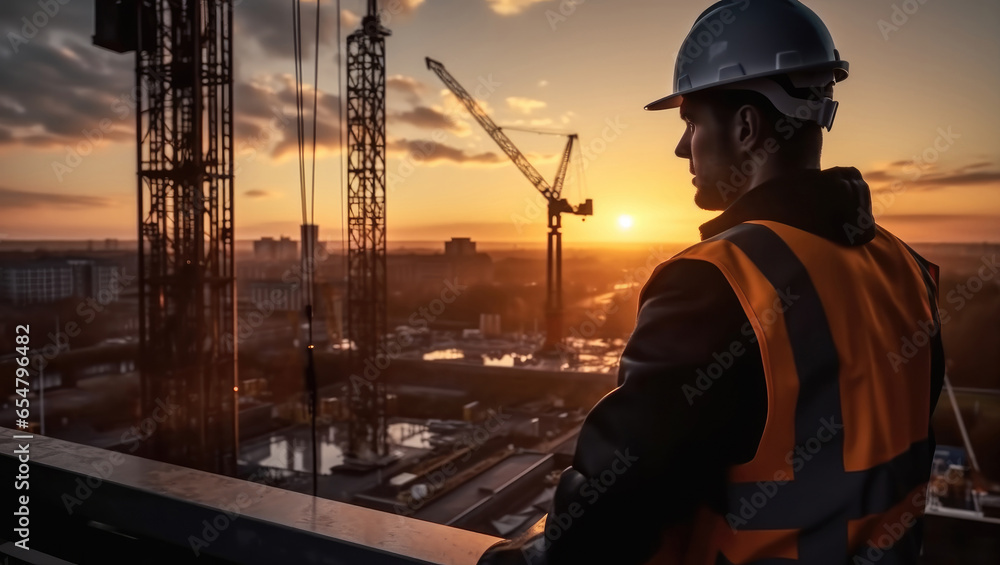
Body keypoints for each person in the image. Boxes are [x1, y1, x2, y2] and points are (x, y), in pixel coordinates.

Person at [478, 1, 945, 564]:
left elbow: (616, 499)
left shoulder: (716, 281)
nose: (682, 147)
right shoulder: (906, 268)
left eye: (691, 122)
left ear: (746, 128)